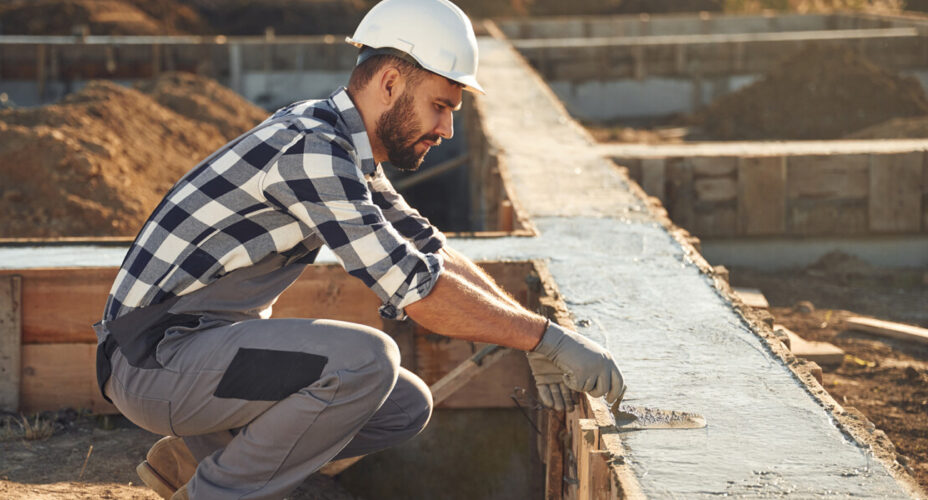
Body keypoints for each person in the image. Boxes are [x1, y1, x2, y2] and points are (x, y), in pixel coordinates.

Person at [92, 0, 624, 498]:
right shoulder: (313, 151)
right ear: (391, 83)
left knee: (403, 405)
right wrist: (544, 340)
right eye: (440, 106)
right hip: (152, 361)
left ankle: (196, 461)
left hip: (196, 351)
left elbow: (429, 252)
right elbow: (416, 292)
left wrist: (534, 335)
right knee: (368, 361)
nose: (447, 128)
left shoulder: (345, 149)